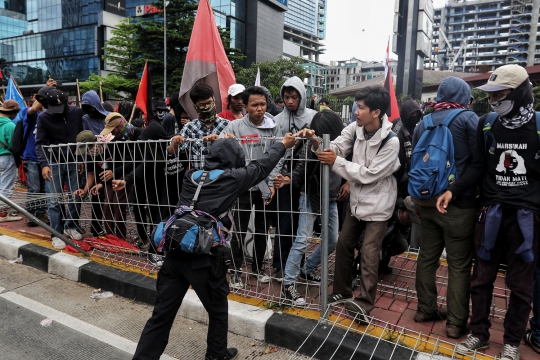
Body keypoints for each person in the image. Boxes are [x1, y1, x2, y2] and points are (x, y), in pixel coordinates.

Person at [128, 134, 297, 360]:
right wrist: (282, 145)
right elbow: (261, 166)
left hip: (174, 253)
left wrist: (218, 144)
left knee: (161, 316)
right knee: (217, 312)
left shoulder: (191, 176)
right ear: (234, 159)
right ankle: (216, 355)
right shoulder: (232, 178)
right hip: (204, 258)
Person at [437, 65, 539, 360]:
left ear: (520, 93)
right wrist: (453, 191)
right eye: (491, 96)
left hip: (526, 219)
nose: (494, 101)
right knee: (481, 279)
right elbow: (478, 167)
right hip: (490, 214)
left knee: (520, 286)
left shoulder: (538, 128)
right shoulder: (487, 124)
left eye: (501, 94)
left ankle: (511, 342)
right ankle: (479, 334)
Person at [305, 85, 400, 323]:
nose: (356, 112)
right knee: (345, 244)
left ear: (376, 112)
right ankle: (342, 291)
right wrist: (316, 142)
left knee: (369, 255)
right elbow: (335, 147)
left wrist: (336, 161)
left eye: (360, 108)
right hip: (357, 203)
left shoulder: (391, 140)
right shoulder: (354, 128)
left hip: (378, 206)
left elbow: (369, 174)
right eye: (357, 107)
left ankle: (364, 304)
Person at [411, 77, 479, 339]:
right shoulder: (468, 119)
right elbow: (477, 164)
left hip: (427, 202)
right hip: (458, 205)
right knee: (459, 265)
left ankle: (425, 309)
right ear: (464, 96)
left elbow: (414, 165)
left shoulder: (423, 122)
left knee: (427, 257)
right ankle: (455, 323)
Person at [218, 86, 284, 287]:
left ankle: (257, 268)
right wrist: (225, 141)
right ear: (245, 106)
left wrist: (272, 182)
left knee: (263, 230)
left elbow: (279, 155)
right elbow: (222, 148)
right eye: (254, 105)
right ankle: (236, 271)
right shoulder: (235, 127)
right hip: (242, 188)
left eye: (263, 104)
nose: (260, 109)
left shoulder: (274, 126)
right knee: (238, 231)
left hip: (265, 187)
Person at [282, 110, 344, 305]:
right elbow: (302, 168)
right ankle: (288, 283)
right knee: (303, 239)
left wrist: (348, 182)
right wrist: (288, 179)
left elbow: (349, 163)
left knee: (333, 240)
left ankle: (308, 268)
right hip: (310, 196)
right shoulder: (312, 145)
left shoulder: (343, 143)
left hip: (331, 197)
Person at [272, 76, 318, 280]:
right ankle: (280, 265)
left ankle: (297, 265)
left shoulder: (313, 116)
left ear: (302, 96)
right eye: (286, 97)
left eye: (294, 97)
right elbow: (274, 150)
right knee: (284, 222)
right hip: (284, 175)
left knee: (301, 226)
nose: (290, 101)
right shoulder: (277, 120)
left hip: (306, 177)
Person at [35, 89, 84, 247]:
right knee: (54, 200)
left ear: (66, 102)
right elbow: (40, 143)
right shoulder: (43, 117)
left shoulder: (76, 112)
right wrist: (44, 164)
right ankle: (56, 233)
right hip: (53, 162)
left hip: (73, 160)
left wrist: (80, 157)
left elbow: (81, 135)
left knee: (75, 196)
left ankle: (71, 226)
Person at [98, 112, 143, 239]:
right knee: (108, 204)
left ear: (120, 125)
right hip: (114, 173)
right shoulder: (114, 138)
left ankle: (120, 236)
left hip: (131, 173)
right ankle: (109, 235)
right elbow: (113, 158)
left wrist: (116, 172)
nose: (112, 132)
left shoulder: (139, 134)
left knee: (119, 204)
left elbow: (136, 159)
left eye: (113, 129)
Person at [172, 83, 229, 170]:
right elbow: (172, 152)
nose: (206, 107)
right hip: (200, 178)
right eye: (202, 105)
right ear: (195, 106)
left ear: (213, 100)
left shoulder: (227, 125)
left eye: (209, 103)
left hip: (223, 177)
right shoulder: (189, 128)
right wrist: (175, 142)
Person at [391, 98, 422, 248]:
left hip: (409, 185)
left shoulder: (415, 130)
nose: (415, 117)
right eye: (412, 114)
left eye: (417, 114)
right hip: (395, 184)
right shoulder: (397, 131)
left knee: (405, 223)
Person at [21, 86, 53, 227]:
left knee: (44, 189)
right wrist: (45, 90)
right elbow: (33, 109)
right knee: (34, 188)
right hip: (32, 157)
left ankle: (41, 213)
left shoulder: (49, 115)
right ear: (34, 98)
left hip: (46, 159)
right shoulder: (29, 114)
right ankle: (30, 214)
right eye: (38, 97)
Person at [0, 100, 23, 222]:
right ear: (13, 112)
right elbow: (15, 145)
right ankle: (2, 214)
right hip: (6, 157)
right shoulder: (10, 126)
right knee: (6, 187)